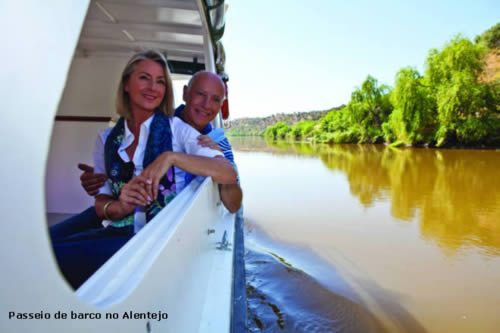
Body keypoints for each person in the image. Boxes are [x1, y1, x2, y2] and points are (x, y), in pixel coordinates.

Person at [51, 50, 237, 289]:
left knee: (49, 257)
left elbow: (228, 172)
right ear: (126, 83)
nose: (152, 87)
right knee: (41, 243)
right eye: (144, 78)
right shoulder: (107, 139)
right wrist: (119, 206)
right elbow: (102, 203)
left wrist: (170, 158)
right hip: (117, 225)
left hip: (152, 237)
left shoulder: (177, 129)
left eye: (160, 81)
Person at [50, 71, 243, 240]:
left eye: (215, 99)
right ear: (185, 93)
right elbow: (125, 164)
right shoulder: (157, 122)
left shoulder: (218, 143)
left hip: (152, 224)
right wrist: (103, 177)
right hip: (118, 212)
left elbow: (233, 204)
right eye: (200, 94)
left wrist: (218, 165)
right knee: (48, 240)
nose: (206, 105)